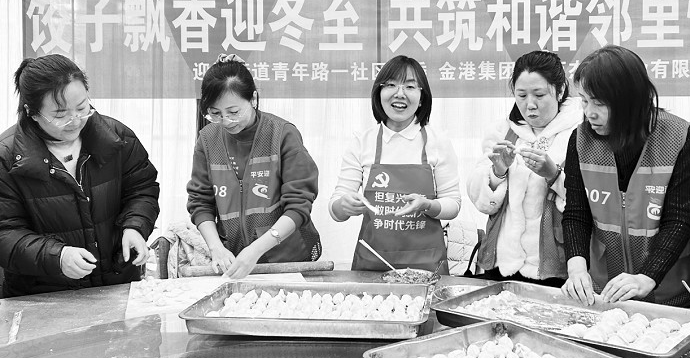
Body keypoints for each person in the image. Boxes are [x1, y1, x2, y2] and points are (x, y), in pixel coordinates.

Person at [0, 54, 159, 297]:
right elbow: (5, 233)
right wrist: (57, 257)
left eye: (82, 107)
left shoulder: (116, 137)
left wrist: (135, 227)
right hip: (44, 299)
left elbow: (142, 189)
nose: (75, 121)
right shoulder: (7, 157)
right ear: (32, 112)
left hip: (117, 287)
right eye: (60, 114)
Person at [560, 45, 690, 307]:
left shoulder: (677, 136)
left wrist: (647, 277)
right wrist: (577, 267)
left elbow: (679, 218)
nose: (590, 112)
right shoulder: (580, 140)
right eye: (584, 100)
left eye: (600, 103)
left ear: (631, 100)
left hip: (670, 292)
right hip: (606, 292)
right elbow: (576, 213)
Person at [187, 54, 321, 279]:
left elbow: (299, 206)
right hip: (235, 259)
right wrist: (216, 247)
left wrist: (256, 249)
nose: (226, 121)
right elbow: (200, 202)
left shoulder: (282, 134)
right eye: (215, 114)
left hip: (288, 259)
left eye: (233, 112)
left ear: (253, 98)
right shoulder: (207, 139)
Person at [329, 55, 461, 273]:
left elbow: (453, 204)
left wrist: (427, 205)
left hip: (427, 268)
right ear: (379, 93)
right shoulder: (362, 142)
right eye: (390, 85)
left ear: (422, 98)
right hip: (372, 266)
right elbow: (336, 209)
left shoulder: (438, 142)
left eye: (410, 86)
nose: (400, 93)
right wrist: (344, 205)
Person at [466, 51, 583, 285]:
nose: (530, 105)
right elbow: (481, 202)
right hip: (502, 263)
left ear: (560, 90)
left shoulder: (579, 132)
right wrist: (497, 173)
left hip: (554, 267)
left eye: (539, 95)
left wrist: (553, 175)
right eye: (521, 95)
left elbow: (591, 204)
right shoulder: (503, 131)